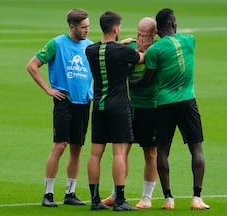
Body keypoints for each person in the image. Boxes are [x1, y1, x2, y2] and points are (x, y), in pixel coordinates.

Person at [130, 8, 210, 210]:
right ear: (174, 24)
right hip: (188, 101)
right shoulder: (190, 40)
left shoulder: (155, 51)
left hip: (164, 104)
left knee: (163, 150)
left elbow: (147, 80)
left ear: (156, 31)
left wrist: (131, 83)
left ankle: (168, 199)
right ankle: (197, 198)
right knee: (196, 149)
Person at [26, 8, 93, 207]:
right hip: (65, 101)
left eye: (88, 27)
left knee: (77, 148)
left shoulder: (90, 46)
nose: (87, 30)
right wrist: (48, 89)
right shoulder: (57, 44)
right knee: (59, 146)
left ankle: (70, 193)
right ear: (72, 26)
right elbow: (32, 65)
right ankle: (48, 193)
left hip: (84, 102)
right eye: (83, 27)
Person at [85, 11, 144, 211]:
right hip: (119, 107)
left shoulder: (90, 51)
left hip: (99, 107)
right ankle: (119, 200)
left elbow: (106, 50)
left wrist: (120, 45)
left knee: (95, 153)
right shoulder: (123, 52)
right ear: (117, 28)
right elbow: (142, 58)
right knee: (119, 153)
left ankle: (95, 200)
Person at [101, 17, 159, 209]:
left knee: (150, 152)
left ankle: (147, 197)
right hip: (128, 106)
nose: (141, 39)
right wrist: (121, 46)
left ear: (154, 34)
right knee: (122, 150)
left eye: (146, 35)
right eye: (139, 34)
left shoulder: (159, 49)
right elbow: (114, 59)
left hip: (150, 107)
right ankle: (116, 193)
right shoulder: (129, 47)